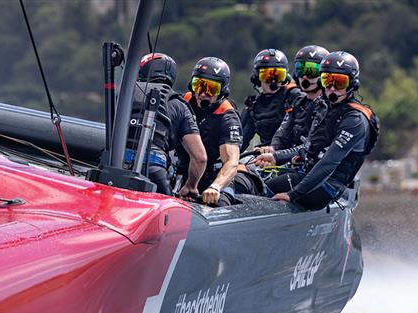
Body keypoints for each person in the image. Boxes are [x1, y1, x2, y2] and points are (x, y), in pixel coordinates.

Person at [254, 51, 379, 210]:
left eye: (339, 82)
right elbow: (309, 147)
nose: (332, 88)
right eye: (328, 81)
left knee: (263, 190)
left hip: (328, 186)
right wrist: (275, 157)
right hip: (306, 175)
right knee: (255, 184)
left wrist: (292, 195)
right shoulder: (326, 108)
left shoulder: (354, 120)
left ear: (352, 83)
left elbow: (328, 162)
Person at [124, 53, 206, 196]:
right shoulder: (180, 106)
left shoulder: (125, 92)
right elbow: (200, 158)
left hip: (114, 163)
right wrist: (191, 186)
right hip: (155, 170)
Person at [175, 57, 242, 206]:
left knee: (219, 204)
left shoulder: (227, 115)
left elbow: (232, 162)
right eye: (198, 85)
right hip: (181, 174)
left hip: (213, 179)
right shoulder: (182, 103)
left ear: (222, 90)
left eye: (211, 88)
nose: (203, 94)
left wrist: (215, 187)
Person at [266, 45, 330, 153]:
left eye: (311, 71)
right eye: (301, 70)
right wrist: (271, 149)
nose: (305, 76)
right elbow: (282, 133)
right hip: (294, 160)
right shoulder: (298, 102)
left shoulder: (327, 106)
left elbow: (311, 145)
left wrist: (276, 156)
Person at [240, 48, 301, 152]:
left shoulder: (295, 97)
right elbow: (240, 142)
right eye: (266, 76)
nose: (273, 81)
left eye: (278, 75)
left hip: (293, 156)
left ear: (286, 76)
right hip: (264, 158)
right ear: (256, 77)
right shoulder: (253, 106)